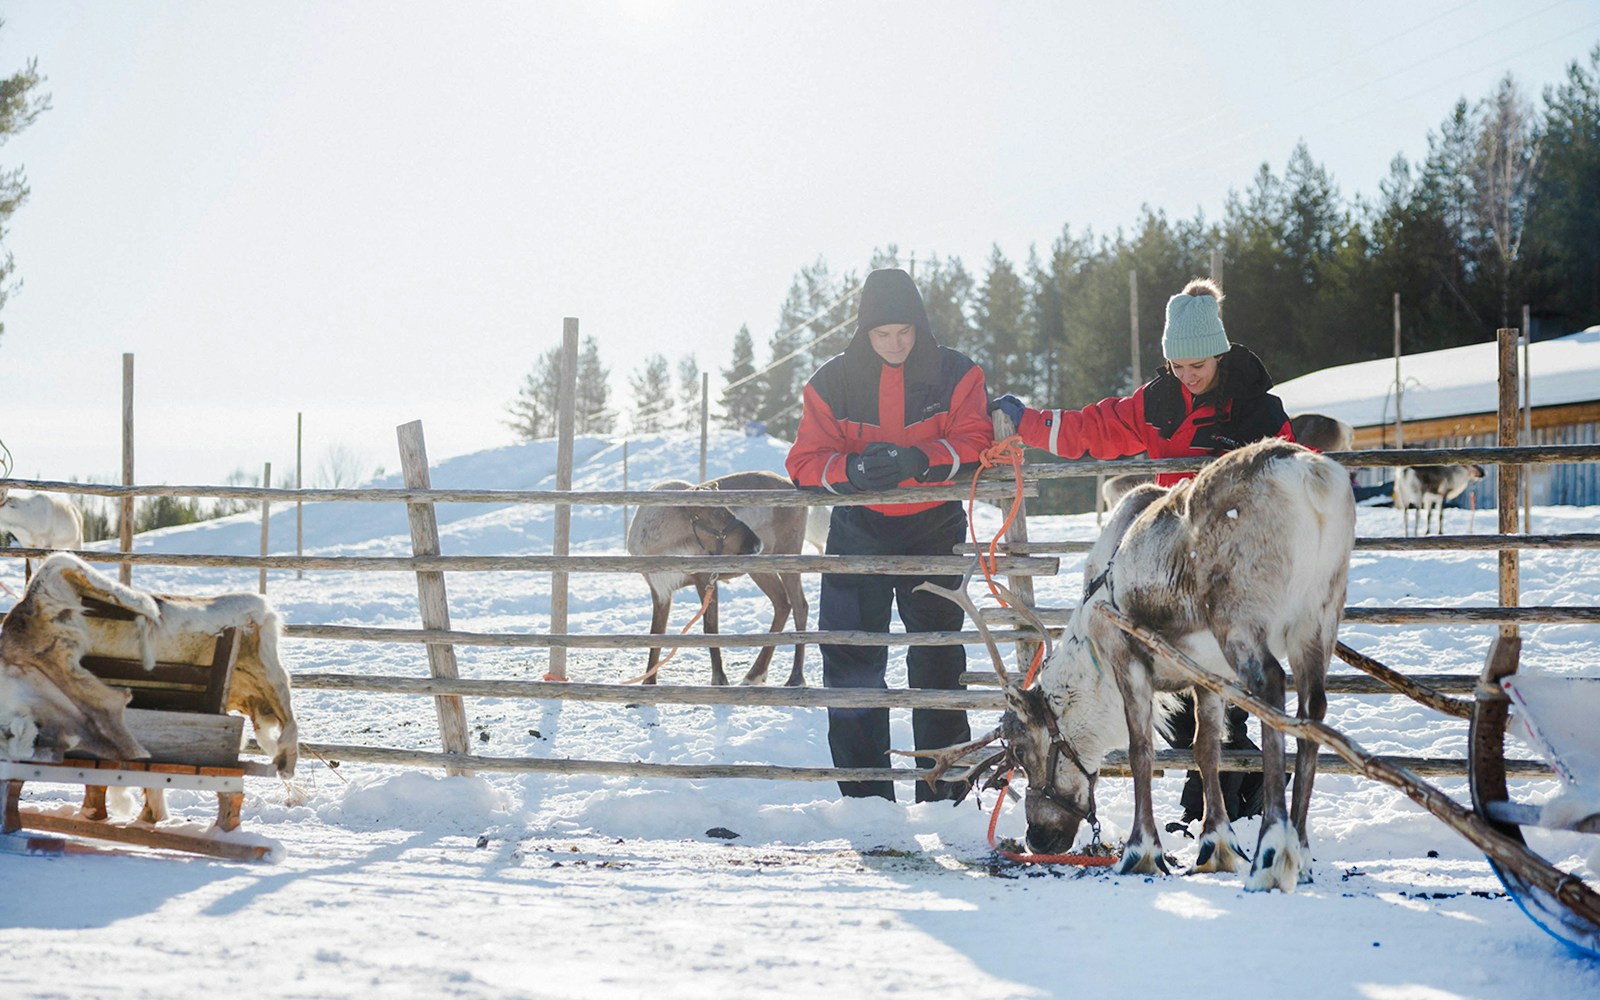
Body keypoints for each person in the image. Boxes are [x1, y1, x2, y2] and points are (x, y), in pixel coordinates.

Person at [990, 277, 1292, 826]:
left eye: (1197, 364)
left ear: (1219, 352)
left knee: (1237, 683)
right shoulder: (1157, 403)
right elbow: (1093, 429)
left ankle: (1243, 793)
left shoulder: (1259, 410)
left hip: (1238, 559)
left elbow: (1294, 473)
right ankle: (1207, 794)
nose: (1187, 375)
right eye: (1177, 365)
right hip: (1171, 559)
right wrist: (1028, 421)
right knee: (1178, 683)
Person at [786, 267, 993, 802]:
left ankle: (944, 794)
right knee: (853, 659)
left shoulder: (958, 373)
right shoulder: (830, 382)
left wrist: (925, 458)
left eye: (904, 332)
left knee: (938, 658)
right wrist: (849, 471)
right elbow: (803, 460)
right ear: (864, 332)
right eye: (883, 335)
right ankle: (865, 798)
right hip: (859, 531)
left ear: (920, 326)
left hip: (935, 528)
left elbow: (975, 436)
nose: (895, 344)